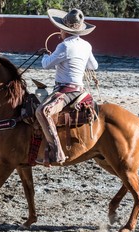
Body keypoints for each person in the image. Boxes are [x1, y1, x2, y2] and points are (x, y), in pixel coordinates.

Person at [35, 8, 98, 166]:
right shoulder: (86, 45)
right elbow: (94, 65)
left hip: (66, 92)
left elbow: (46, 65)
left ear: (64, 29)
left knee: (42, 111)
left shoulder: (64, 46)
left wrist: (46, 55)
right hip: (80, 91)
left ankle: (57, 151)